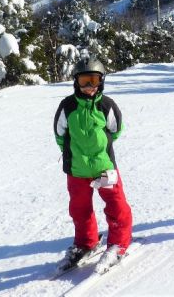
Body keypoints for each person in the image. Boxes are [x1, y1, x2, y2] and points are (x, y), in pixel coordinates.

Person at [53, 57, 133, 274]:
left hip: (104, 166)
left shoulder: (107, 105)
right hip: (76, 169)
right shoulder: (67, 106)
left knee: (117, 206)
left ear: (101, 81)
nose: (89, 86)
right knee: (79, 210)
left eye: (94, 80)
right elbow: (60, 134)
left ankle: (118, 243)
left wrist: (100, 151)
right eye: (84, 81)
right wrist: (73, 153)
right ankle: (85, 242)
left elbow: (115, 130)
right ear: (76, 82)